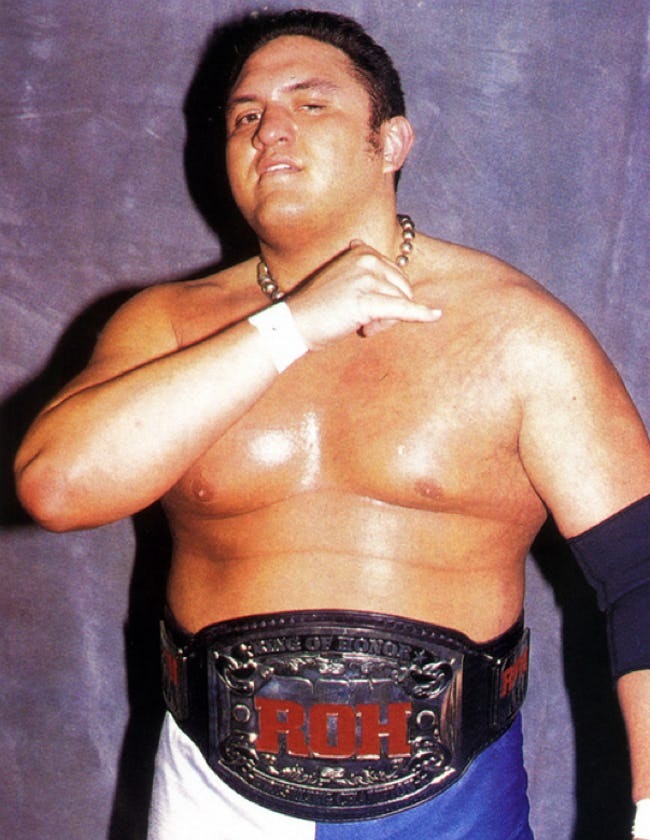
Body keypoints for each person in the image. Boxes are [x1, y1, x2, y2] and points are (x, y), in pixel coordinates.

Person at [14, 9, 650, 840]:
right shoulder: (166, 325)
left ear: (391, 143)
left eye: (310, 104)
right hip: (214, 796)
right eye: (245, 116)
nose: (269, 130)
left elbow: (642, 574)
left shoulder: (516, 334)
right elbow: (56, 487)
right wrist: (291, 326)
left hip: (450, 805)